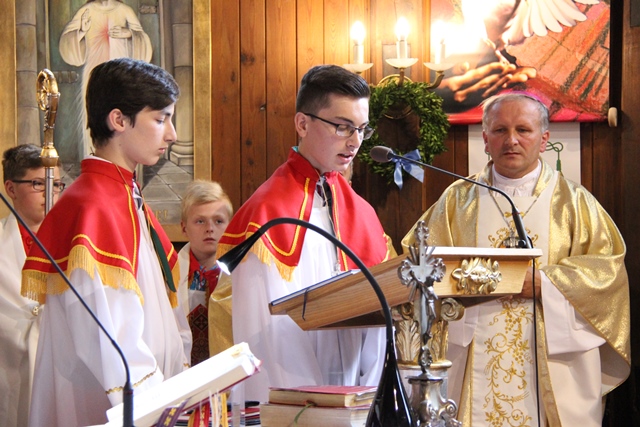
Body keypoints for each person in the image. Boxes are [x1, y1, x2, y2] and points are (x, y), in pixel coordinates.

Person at [402, 92, 630, 426]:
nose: (511, 140)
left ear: (544, 139)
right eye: (500, 130)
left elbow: (607, 272)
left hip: (550, 360)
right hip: (473, 352)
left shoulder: (574, 202)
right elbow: (417, 263)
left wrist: (546, 284)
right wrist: (468, 283)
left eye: (523, 130)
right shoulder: (458, 200)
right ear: (485, 139)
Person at [21, 57, 191, 427]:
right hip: (117, 408)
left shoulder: (126, 197)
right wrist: (161, 407)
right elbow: (107, 338)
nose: (172, 134)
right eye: (161, 119)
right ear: (118, 120)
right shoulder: (92, 207)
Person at [217, 64, 395, 402]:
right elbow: (269, 337)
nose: (355, 142)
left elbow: (377, 317)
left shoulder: (361, 212)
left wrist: (368, 396)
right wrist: (314, 407)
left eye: (362, 129)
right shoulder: (267, 216)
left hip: (355, 403)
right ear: (302, 124)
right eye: (343, 127)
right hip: (298, 403)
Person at [0, 144, 63, 427]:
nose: (50, 193)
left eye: (56, 184)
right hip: (8, 373)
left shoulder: (76, 246)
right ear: (11, 188)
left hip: (60, 372)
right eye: (39, 183)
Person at [59, 0, 153, 158]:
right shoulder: (86, 11)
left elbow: (142, 43)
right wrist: (81, 31)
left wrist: (129, 34)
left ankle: (123, 165)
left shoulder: (124, 10)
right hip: (94, 76)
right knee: (95, 120)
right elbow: (68, 47)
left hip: (122, 78)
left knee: (125, 119)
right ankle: (96, 163)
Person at [177, 179, 233, 365]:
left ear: (230, 226)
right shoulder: (167, 275)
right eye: (200, 221)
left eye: (218, 221)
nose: (210, 228)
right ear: (184, 228)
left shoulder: (242, 275)